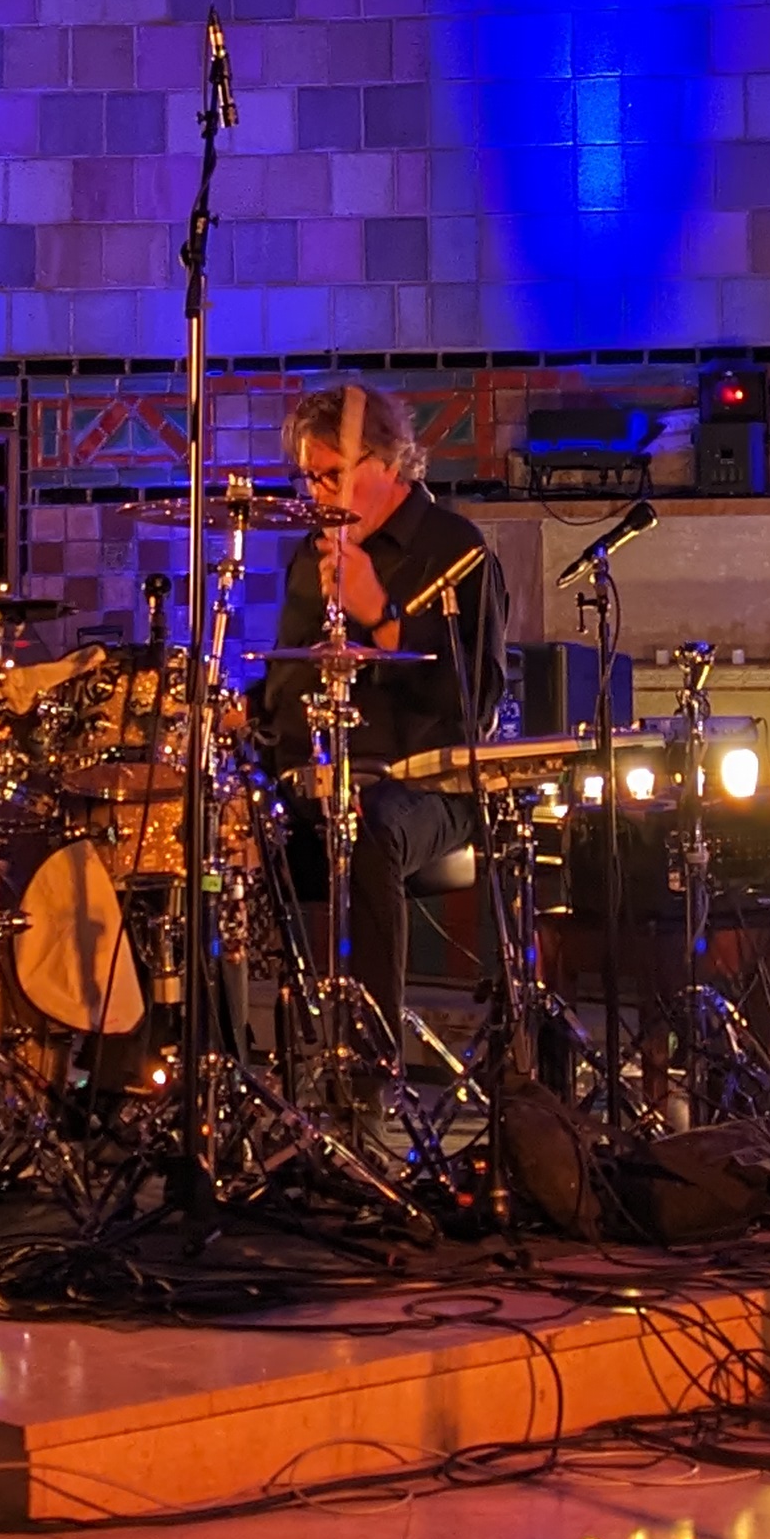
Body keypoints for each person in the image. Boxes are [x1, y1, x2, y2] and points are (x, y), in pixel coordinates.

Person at [255, 381, 500, 1055]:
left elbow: (472, 702)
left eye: (331, 475)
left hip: (429, 786)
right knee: (197, 824)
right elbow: (288, 681)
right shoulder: (313, 554)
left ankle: (369, 1063)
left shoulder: (456, 549)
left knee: (365, 828)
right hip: (318, 777)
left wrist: (381, 617)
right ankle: (219, 1058)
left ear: (387, 461)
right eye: (308, 478)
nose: (316, 495)